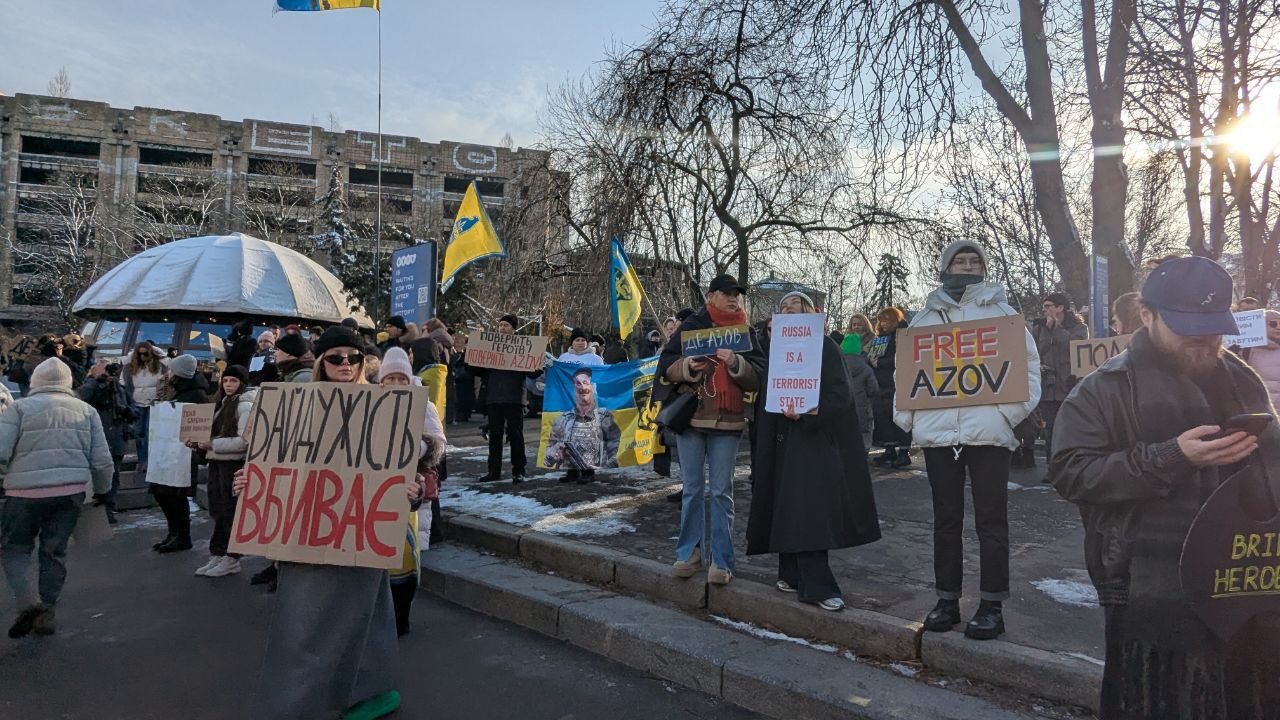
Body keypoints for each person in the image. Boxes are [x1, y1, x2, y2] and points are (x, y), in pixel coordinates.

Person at [1051, 256, 1280, 718]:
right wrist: (1171, 457)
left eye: (1212, 327)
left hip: (1243, 579)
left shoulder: (1242, 377)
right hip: (1145, 585)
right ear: (1147, 316)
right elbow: (1072, 472)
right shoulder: (1105, 388)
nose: (1202, 340)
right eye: (1185, 326)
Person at [233, 326, 415, 720]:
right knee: (304, 618)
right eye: (335, 358)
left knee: (367, 616)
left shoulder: (383, 404)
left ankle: (371, 690)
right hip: (306, 528)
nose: (345, 365)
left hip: (361, 527)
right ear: (320, 361)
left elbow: (403, 460)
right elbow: (271, 462)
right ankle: (298, 700)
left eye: (353, 357)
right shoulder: (293, 405)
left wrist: (410, 484)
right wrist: (248, 481)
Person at [894, 241, 1041, 641]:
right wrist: (908, 420)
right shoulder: (925, 319)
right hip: (939, 435)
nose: (968, 266)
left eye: (975, 261)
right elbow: (905, 374)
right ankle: (947, 600)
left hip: (989, 434)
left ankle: (992, 604)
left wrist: (1004, 415)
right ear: (945, 268)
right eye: (961, 261)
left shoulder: (1004, 314)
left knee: (992, 521)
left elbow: (1028, 371)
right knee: (946, 521)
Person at [747, 291, 881, 611]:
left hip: (812, 438)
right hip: (778, 439)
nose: (789, 309)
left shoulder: (825, 346)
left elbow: (841, 397)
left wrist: (809, 411)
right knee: (783, 502)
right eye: (783, 307)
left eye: (796, 305)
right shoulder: (774, 348)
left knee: (808, 510)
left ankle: (817, 584)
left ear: (813, 312)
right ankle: (790, 573)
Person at [656, 275, 760, 586]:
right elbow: (667, 363)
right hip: (691, 420)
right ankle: (689, 553)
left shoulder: (746, 331)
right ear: (711, 295)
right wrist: (687, 366)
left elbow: (758, 377)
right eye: (727, 293)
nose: (733, 299)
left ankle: (722, 561)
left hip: (728, 422)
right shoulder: (693, 325)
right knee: (692, 490)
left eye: (737, 294)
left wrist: (738, 364)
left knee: (721, 492)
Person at [0, 358, 113, 638]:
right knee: (54, 551)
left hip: (22, 493)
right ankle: (47, 611)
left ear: (35, 381)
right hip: (69, 492)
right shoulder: (86, 411)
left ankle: (27, 600)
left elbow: (0, 452)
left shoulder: (19, 409)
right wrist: (101, 490)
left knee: (15, 548)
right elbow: (102, 461)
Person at [378, 347, 445, 636]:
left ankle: (401, 617)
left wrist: (413, 448)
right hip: (377, 489)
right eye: (388, 379)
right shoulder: (370, 403)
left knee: (406, 558)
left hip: (410, 490)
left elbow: (438, 444)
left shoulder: (423, 405)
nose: (394, 385)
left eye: (400, 379)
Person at [188, 365, 254, 579]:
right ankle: (219, 553)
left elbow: (245, 441)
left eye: (233, 381)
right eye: (225, 381)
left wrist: (212, 444)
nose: (228, 385)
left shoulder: (244, 404)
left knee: (229, 511)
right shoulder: (221, 403)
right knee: (218, 509)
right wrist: (197, 442)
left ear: (242, 383)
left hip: (231, 464)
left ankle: (231, 557)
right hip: (217, 462)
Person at [149, 354, 210, 554]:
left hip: (182, 454)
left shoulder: (196, 395)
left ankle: (182, 535)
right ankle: (173, 532)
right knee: (161, 493)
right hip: (167, 450)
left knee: (176, 497)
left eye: (171, 370)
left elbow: (199, 427)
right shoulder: (176, 390)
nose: (168, 373)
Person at [475, 314, 540, 484]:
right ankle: (493, 471)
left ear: (513, 329)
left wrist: (538, 364)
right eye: (501, 325)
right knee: (494, 436)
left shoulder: (522, 347)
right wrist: (470, 357)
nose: (502, 328)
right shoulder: (490, 347)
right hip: (494, 398)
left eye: (506, 325)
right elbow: (476, 370)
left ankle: (519, 471)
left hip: (514, 399)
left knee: (516, 436)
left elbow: (533, 373)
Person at [1032, 292, 1090, 470]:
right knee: (1051, 429)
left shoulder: (1079, 328)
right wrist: (1040, 364)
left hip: (1069, 385)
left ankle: (1072, 465)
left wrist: (1056, 328)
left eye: (1049, 306)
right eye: (1044, 307)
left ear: (1060, 308)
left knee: (1070, 427)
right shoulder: (1039, 328)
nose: (1045, 310)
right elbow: (1035, 352)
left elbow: (1074, 347)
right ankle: (1052, 467)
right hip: (1049, 387)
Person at [79, 360, 135, 523]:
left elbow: (131, 407)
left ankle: (109, 509)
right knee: (96, 474)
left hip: (117, 438)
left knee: (114, 474)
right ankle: (96, 508)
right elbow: (82, 398)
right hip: (97, 438)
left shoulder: (118, 388)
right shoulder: (90, 385)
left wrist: (128, 413)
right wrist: (96, 379)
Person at [547, 367, 621, 484]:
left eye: (586, 383)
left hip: (594, 463)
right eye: (578, 384)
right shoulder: (563, 419)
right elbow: (549, 453)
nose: (582, 387)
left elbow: (616, 444)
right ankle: (572, 472)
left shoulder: (603, 417)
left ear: (593, 387)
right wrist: (554, 452)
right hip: (567, 463)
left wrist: (608, 465)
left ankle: (588, 473)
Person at [869, 307, 911, 468]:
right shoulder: (880, 338)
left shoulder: (903, 335)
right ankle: (889, 449)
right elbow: (872, 358)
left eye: (887, 320)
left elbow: (903, 358)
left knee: (900, 417)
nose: (883, 323)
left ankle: (904, 451)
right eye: (881, 320)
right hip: (880, 383)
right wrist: (871, 360)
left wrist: (880, 363)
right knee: (883, 418)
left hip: (897, 382)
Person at [123, 341, 164, 471]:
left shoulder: (159, 366)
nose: (142, 356)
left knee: (148, 432)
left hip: (153, 403)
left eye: (145, 353)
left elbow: (165, 382)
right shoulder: (131, 367)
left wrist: (160, 398)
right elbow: (125, 381)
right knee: (139, 432)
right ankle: (142, 459)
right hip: (137, 403)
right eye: (139, 354)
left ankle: (147, 460)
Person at [840, 332, 879, 450]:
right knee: (864, 440)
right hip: (863, 411)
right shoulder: (866, 368)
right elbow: (873, 390)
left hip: (842, 410)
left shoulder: (837, 367)